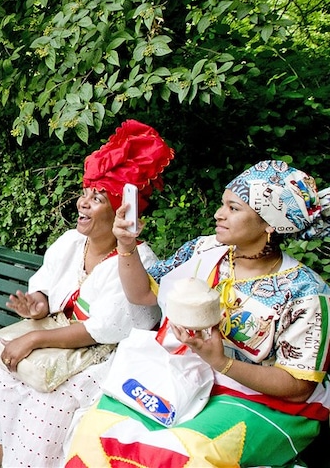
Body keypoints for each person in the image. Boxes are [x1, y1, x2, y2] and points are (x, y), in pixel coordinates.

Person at [65, 159, 330, 467]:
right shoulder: (205, 250)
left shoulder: (306, 292)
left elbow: (298, 387)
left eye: (234, 208)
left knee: (175, 453)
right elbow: (142, 294)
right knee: (97, 432)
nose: (219, 214)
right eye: (222, 204)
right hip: (182, 375)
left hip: (263, 402)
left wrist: (222, 362)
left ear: (269, 222)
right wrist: (126, 244)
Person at [0, 120, 172, 467]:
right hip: (59, 337)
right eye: (86, 193)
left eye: (97, 198)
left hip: (106, 357)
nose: (83, 203)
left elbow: (103, 330)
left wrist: (33, 340)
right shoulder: (71, 242)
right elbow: (48, 287)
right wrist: (38, 304)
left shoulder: (138, 260)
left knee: (42, 405)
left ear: (123, 209)